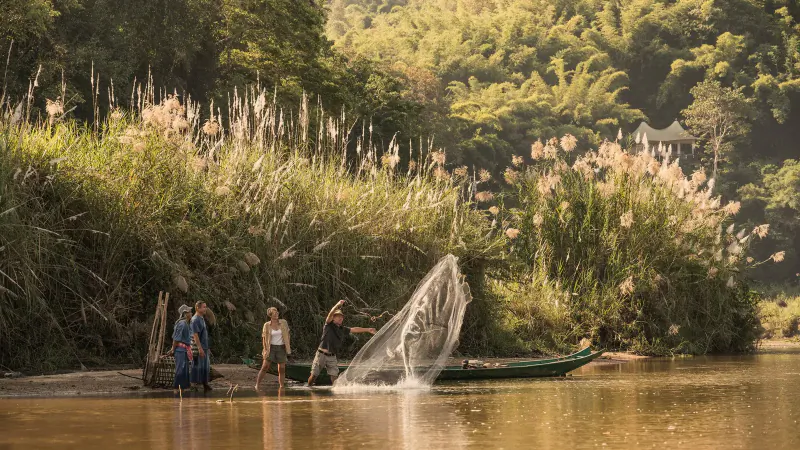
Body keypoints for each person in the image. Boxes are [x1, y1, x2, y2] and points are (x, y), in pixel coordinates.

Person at [307, 299, 376, 386]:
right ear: (333, 318)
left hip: (332, 356)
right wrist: (337, 305)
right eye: (338, 316)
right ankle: (309, 390)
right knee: (313, 376)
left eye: (341, 316)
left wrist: (368, 329)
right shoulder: (328, 325)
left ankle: (335, 398)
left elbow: (354, 329)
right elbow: (330, 313)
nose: (340, 318)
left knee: (335, 379)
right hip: (321, 355)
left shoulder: (342, 329)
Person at [255, 307, 292, 390]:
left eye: (277, 312)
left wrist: (288, 346)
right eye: (274, 313)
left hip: (281, 347)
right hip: (270, 347)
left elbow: (288, 334)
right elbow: (264, 338)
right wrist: (265, 349)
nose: (276, 314)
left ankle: (282, 386)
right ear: (270, 315)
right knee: (265, 366)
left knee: (282, 368)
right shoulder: (267, 325)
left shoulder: (283, 322)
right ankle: (257, 384)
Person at [166, 304, 193, 393]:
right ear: (185, 314)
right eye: (189, 312)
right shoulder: (181, 324)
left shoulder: (186, 323)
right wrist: (173, 349)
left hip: (184, 350)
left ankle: (183, 388)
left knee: (185, 369)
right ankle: (176, 389)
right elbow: (176, 339)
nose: (191, 313)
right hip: (180, 350)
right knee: (180, 369)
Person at [190, 301, 212, 392]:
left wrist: (207, 348)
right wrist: (200, 348)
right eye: (203, 307)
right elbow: (195, 335)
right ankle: (193, 385)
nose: (205, 309)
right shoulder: (195, 320)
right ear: (198, 308)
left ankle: (205, 384)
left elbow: (203, 335)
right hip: (198, 348)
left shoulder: (201, 318)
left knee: (205, 367)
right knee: (197, 366)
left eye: (205, 307)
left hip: (204, 347)